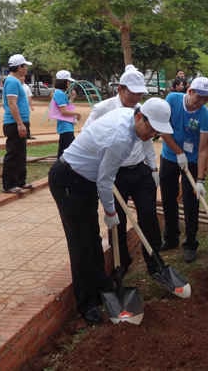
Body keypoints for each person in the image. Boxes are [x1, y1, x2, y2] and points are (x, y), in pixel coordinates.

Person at [49, 98, 174, 325]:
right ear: (139, 117)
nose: (151, 135)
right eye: (151, 128)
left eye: (157, 131)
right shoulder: (121, 138)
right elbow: (105, 181)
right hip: (68, 180)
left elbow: (102, 177)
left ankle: (103, 289)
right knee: (80, 244)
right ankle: (86, 304)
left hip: (84, 180)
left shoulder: (130, 117)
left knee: (93, 240)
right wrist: (111, 213)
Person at [82, 65, 162, 275]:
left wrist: (153, 167)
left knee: (148, 215)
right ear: (120, 89)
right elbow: (86, 135)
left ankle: (154, 261)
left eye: (139, 93)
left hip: (140, 170)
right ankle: (121, 263)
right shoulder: (103, 108)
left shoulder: (142, 111)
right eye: (132, 92)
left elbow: (146, 141)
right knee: (116, 219)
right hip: (114, 173)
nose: (136, 97)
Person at [159, 76, 208, 263]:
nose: (202, 102)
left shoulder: (204, 115)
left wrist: (200, 179)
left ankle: (190, 242)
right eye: (199, 97)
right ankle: (171, 237)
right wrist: (178, 152)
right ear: (189, 91)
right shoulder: (172, 100)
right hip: (169, 157)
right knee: (168, 197)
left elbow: (203, 148)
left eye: (206, 98)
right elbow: (163, 130)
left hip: (191, 161)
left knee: (191, 201)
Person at [2, 54, 33, 194]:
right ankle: (9, 184)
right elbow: (12, 104)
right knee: (13, 153)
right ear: (19, 67)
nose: (26, 69)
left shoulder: (16, 81)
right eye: (24, 66)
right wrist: (20, 124)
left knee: (21, 153)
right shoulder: (12, 82)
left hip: (21, 122)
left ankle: (20, 181)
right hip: (14, 123)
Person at [50, 70, 80, 158]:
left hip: (66, 127)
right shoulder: (59, 93)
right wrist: (77, 114)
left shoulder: (60, 93)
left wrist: (72, 98)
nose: (69, 84)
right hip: (65, 127)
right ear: (64, 82)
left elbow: (65, 107)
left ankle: (58, 169)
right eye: (69, 82)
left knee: (64, 152)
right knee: (70, 152)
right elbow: (64, 111)